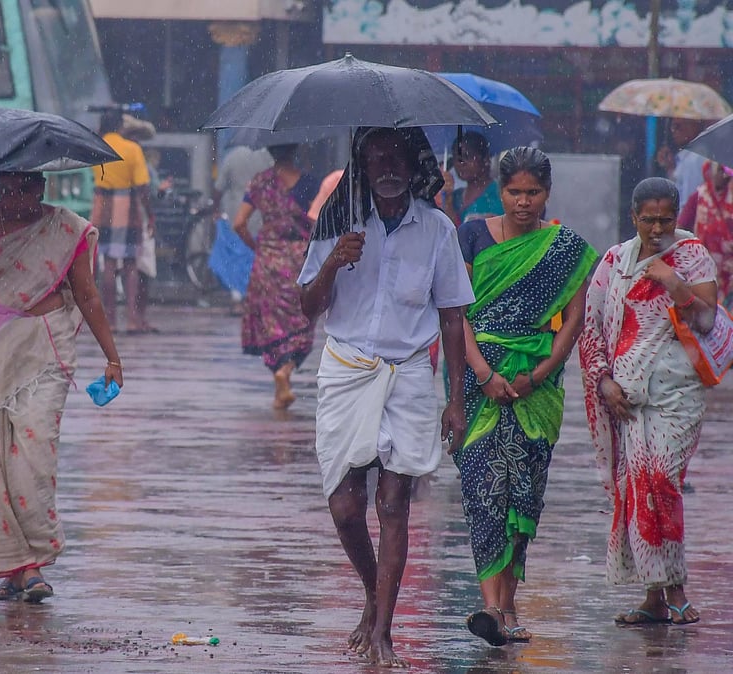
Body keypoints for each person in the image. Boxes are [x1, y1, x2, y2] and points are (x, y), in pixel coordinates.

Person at [298, 127, 473, 667]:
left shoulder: (439, 228)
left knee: (392, 504)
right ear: (362, 165)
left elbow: (451, 316)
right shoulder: (336, 221)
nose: (388, 167)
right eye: (377, 158)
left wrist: (457, 399)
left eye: (397, 157)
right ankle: (374, 595)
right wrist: (333, 262)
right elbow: (308, 307)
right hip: (347, 367)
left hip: (412, 375)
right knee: (345, 505)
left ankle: (384, 633)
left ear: (414, 162)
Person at [0, 171, 122, 603]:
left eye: (21, 188)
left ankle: (34, 561)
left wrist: (112, 357)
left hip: (44, 349)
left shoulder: (65, 229)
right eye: (4, 186)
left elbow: (87, 294)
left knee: (34, 450)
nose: (10, 196)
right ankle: (14, 567)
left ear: (39, 187)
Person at [454, 148, 597, 646]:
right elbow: (457, 312)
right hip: (479, 385)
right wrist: (482, 370)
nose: (522, 201)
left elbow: (574, 322)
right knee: (482, 492)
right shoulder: (471, 233)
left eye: (532, 192)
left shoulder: (566, 249)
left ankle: (506, 608)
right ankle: (492, 609)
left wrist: (537, 375)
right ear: (500, 189)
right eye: (514, 191)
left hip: (536, 388)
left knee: (521, 497)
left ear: (547, 193)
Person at [580, 177, 716, 628]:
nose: (657, 227)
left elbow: (708, 318)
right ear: (633, 217)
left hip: (677, 395)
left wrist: (673, 282)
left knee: (661, 481)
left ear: (676, 215)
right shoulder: (615, 261)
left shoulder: (692, 254)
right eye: (648, 219)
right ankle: (654, 596)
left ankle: (675, 588)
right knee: (638, 490)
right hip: (627, 400)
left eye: (665, 219)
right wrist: (604, 382)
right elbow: (593, 328)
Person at [234, 143, 319, 409]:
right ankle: (287, 370)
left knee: (269, 324)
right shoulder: (309, 182)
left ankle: (278, 379)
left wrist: (257, 246)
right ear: (296, 151)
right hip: (298, 261)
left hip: (268, 260)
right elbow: (317, 219)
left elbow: (239, 223)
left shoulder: (260, 183)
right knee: (302, 321)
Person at [92, 109, 156, 334]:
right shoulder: (132, 149)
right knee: (130, 264)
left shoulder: (96, 146)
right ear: (120, 125)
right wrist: (150, 213)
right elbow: (143, 186)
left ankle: (110, 320)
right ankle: (131, 318)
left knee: (108, 263)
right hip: (127, 204)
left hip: (102, 204)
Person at [214, 143, 273, 313]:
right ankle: (254, 298)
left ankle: (238, 300)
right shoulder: (266, 157)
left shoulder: (232, 157)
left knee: (236, 258)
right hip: (259, 215)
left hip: (236, 214)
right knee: (253, 259)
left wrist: (215, 208)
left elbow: (219, 188)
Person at [678, 161, 733, 303]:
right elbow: (680, 228)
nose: (724, 175)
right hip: (705, 269)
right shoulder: (699, 197)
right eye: (720, 170)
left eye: (727, 170)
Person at [441, 132, 503, 226]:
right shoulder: (455, 196)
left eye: (466, 156)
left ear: (485, 159)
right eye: (456, 158)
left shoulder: (500, 194)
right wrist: (448, 202)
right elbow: (451, 233)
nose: (459, 163)